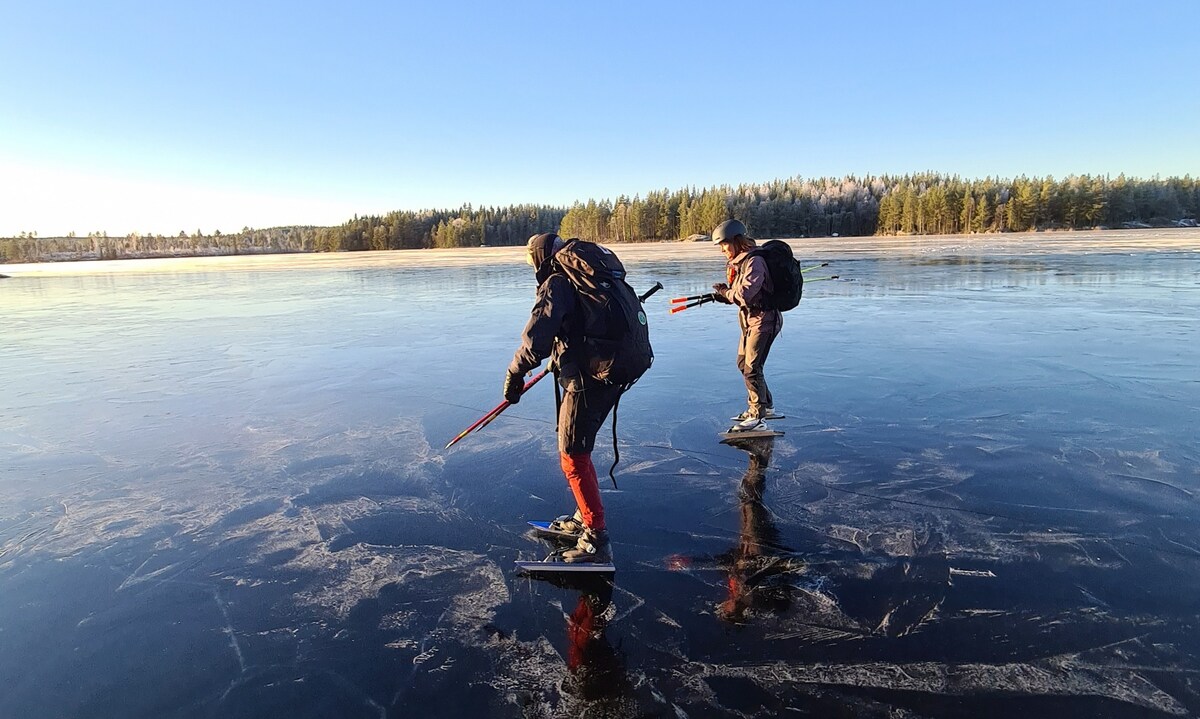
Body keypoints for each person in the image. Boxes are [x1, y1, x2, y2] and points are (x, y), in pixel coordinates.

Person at [503, 233, 624, 563]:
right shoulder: (588, 275)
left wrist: (515, 373)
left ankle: (596, 540)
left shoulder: (559, 280)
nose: (532, 267)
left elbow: (537, 337)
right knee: (580, 446)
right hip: (616, 368)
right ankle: (584, 517)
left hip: (591, 376)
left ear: (539, 257)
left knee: (572, 454)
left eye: (531, 260)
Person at [710, 219, 783, 432]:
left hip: (764, 321)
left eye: (724, 244)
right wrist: (725, 295)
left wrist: (727, 293)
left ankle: (757, 416)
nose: (722, 250)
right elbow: (741, 294)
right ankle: (765, 406)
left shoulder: (755, 261)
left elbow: (745, 293)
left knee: (752, 368)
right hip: (751, 321)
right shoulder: (741, 261)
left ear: (736, 241)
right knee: (744, 364)